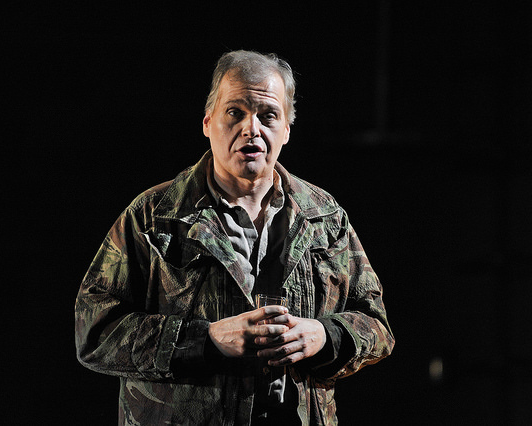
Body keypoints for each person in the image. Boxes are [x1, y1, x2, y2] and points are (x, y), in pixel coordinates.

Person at [75, 50, 394, 426]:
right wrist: (206, 340)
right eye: (235, 112)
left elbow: (377, 326)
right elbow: (93, 332)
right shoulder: (154, 216)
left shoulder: (324, 217)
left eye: (268, 115)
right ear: (208, 122)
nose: (251, 128)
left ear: (287, 129)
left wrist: (325, 336)